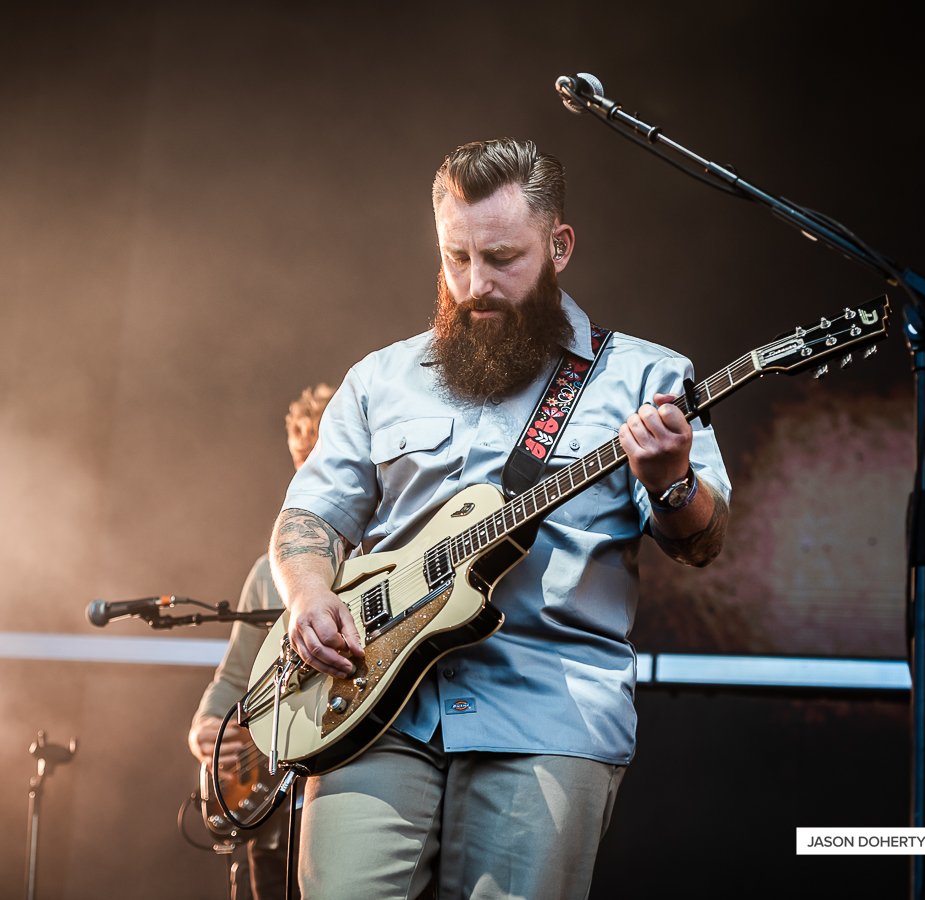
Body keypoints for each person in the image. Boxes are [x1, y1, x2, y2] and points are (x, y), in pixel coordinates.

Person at [270, 139, 731, 900]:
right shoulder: (378, 379)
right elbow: (311, 514)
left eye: (502, 258)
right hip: (375, 709)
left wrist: (672, 479)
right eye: (456, 258)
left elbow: (703, 543)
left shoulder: (646, 378)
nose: (475, 285)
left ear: (559, 246)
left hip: (547, 715)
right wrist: (310, 595)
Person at [189, 383, 336, 900]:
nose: (308, 483)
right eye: (302, 467)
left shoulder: (392, 557)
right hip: (273, 811)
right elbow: (234, 676)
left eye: (322, 464)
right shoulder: (264, 573)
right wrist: (207, 727)